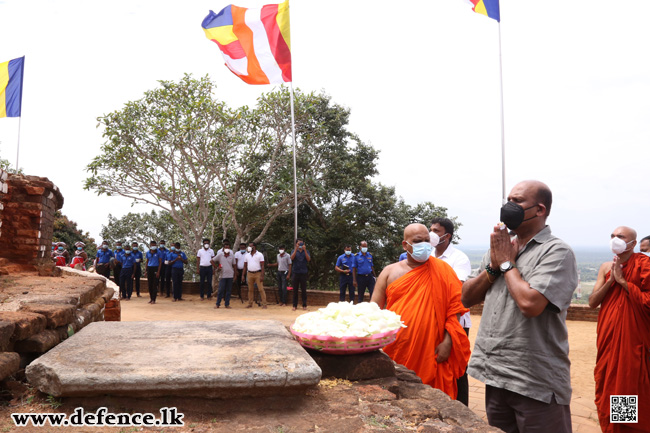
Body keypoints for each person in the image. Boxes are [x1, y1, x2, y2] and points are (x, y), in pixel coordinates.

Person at [461, 180, 577, 433]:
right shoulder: (501, 249)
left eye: (518, 201)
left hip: (534, 379)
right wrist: (494, 265)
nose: (509, 206)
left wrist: (505, 264)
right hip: (496, 373)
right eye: (508, 200)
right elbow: (466, 299)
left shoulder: (557, 251)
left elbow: (530, 304)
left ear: (540, 210)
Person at [371, 223, 470, 399]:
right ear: (405, 245)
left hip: (433, 349)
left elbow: (454, 308)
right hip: (396, 348)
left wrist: (448, 341)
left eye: (426, 240)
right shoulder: (389, 272)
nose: (424, 245)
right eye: (418, 241)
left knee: (434, 398)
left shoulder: (444, 270)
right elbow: (373, 310)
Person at [588, 226, 650, 432]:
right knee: (607, 381)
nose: (615, 239)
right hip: (608, 339)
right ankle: (611, 428)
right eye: (612, 236)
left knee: (624, 384)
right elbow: (592, 302)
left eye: (621, 237)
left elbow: (648, 302)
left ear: (632, 244)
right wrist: (611, 281)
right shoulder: (606, 267)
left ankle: (623, 428)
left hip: (631, 341)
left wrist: (624, 282)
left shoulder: (644, 265)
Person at [430, 217, 472, 406]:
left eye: (436, 231)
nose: (431, 233)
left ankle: (462, 408)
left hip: (456, 321)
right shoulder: (428, 254)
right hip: (433, 320)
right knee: (437, 363)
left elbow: (456, 291)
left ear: (447, 235)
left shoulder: (459, 259)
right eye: (430, 229)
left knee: (458, 368)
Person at [212, 241, 236, 309]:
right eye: (226, 247)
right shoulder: (220, 255)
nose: (227, 248)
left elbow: (234, 265)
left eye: (228, 247)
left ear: (230, 248)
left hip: (230, 275)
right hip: (222, 275)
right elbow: (212, 261)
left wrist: (235, 275)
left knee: (228, 291)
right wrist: (216, 267)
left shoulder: (232, 256)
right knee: (220, 290)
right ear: (223, 248)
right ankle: (217, 304)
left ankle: (227, 304)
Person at [243, 242, 267, 309]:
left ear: (254, 247)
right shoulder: (247, 255)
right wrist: (243, 275)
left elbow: (262, 266)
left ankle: (264, 304)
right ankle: (250, 303)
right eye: (249, 246)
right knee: (250, 289)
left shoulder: (260, 255)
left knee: (261, 289)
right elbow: (245, 266)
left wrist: (262, 275)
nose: (249, 247)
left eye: (251, 246)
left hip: (258, 273)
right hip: (249, 273)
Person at [291, 238, 310, 311]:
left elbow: (308, 259)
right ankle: (294, 305)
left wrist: (304, 250)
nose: (300, 245)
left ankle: (304, 305)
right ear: (296, 244)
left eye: (302, 244)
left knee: (303, 290)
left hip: (303, 273)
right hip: (295, 272)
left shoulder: (307, 251)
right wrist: (296, 249)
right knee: (295, 290)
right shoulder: (293, 251)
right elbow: (292, 258)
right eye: (299, 244)